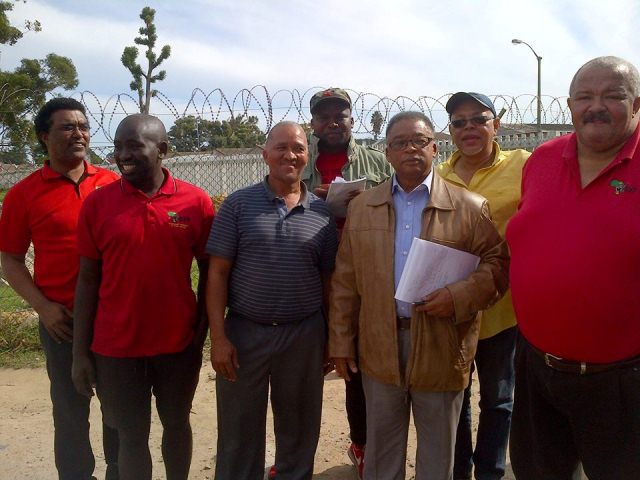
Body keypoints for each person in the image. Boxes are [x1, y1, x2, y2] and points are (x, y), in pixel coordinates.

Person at [329, 111, 509, 480]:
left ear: (435, 148)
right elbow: (345, 281)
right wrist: (341, 340)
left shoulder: (470, 207)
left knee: (438, 452)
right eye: (399, 142)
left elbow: (497, 266)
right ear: (388, 153)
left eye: (419, 141)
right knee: (382, 451)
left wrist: (459, 295)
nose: (410, 149)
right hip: (378, 343)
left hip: (442, 343)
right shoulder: (363, 207)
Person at [506, 56, 640, 480]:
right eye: (585, 97)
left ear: (636, 104)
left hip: (621, 383)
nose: (595, 106)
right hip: (536, 371)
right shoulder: (542, 159)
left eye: (612, 96)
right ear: (569, 105)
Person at [71, 114, 214, 480]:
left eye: (134, 145)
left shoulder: (195, 203)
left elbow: (212, 273)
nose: (122, 154)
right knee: (131, 435)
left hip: (177, 345)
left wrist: (200, 331)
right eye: (118, 146)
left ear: (163, 150)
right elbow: (87, 281)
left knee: (177, 424)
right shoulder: (97, 205)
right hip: (116, 348)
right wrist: (80, 353)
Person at [207, 121, 338, 480]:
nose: (290, 155)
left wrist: (329, 338)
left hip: (304, 334)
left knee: (299, 429)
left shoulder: (321, 214)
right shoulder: (238, 205)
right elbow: (216, 273)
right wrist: (219, 338)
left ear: (307, 157)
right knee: (238, 430)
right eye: (281, 147)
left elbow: (328, 280)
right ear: (265, 154)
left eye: (298, 148)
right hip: (246, 333)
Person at [0, 97, 120, 480]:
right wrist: (43, 308)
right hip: (62, 322)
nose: (79, 134)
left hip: (113, 321)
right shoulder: (24, 195)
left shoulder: (113, 184)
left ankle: (120, 472)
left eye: (83, 126)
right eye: (67, 127)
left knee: (119, 411)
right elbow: (10, 260)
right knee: (70, 413)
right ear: (43, 137)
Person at [437, 92, 530, 480]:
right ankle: (459, 472)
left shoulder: (524, 165)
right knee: (454, 398)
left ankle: (490, 472)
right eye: (460, 122)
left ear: (497, 124)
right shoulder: (438, 175)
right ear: (451, 131)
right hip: (452, 306)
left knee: (499, 399)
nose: (470, 127)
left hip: (503, 308)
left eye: (479, 119)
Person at [304, 87, 392, 477]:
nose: (332, 122)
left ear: (352, 120)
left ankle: (363, 442)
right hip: (309, 274)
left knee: (357, 364)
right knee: (306, 365)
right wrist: (313, 199)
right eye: (324, 116)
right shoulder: (299, 160)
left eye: (340, 115)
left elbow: (401, 202)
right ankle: (296, 455)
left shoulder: (376, 161)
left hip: (364, 275)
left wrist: (365, 201)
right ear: (314, 123)